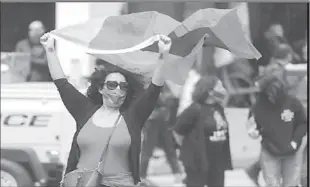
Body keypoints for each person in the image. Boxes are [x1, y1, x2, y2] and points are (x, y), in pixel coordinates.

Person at [40, 32, 172, 187]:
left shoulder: (133, 116)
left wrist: (164, 54)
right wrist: (49, 49)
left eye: (123, 86)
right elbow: (62, 84)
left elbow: (154, 89)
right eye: (111, 85)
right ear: (100, 88)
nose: (117, 90)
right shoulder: (85, 111)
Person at [247, 67, 307, 187]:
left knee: (290, 183)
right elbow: (252, 126)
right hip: (270, 151)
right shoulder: (257, 107)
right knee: (272, 183)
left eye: (273, 95)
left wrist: (295, 141)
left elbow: (303, 123)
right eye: (268, 95)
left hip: (292, 151)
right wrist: (253, 132)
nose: (271, 98)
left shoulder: (293, 103)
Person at [173, 76, 232, 187]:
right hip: (198, 162)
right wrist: (189, 148)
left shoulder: (218, 107)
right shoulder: (194, 109)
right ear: (210, 91)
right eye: (220, 86)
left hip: (217, 161)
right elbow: (177, 132)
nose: (223, 90)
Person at [140, 85, 182, 183]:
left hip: (162, 118)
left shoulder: (161, 83)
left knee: (169, 147)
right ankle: (142, 175)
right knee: (148, 149)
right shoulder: (146, 83)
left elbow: (171, 97)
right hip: (152, 119)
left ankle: (177, 173)